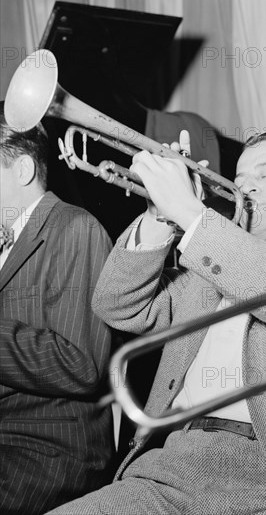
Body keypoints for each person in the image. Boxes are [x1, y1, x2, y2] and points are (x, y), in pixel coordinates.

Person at [47, 129, 266, 515]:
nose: (245, 188)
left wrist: (193, 216)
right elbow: (118, 304)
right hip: (171, 469)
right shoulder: (207, 268)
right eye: (240, 178)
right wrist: (160, 215)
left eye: (265, 175)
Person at [0, 102, 115, 514]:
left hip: (49, 450)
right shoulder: (4, 241)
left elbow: (80, 364)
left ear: (23, 170)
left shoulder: (74, 227)